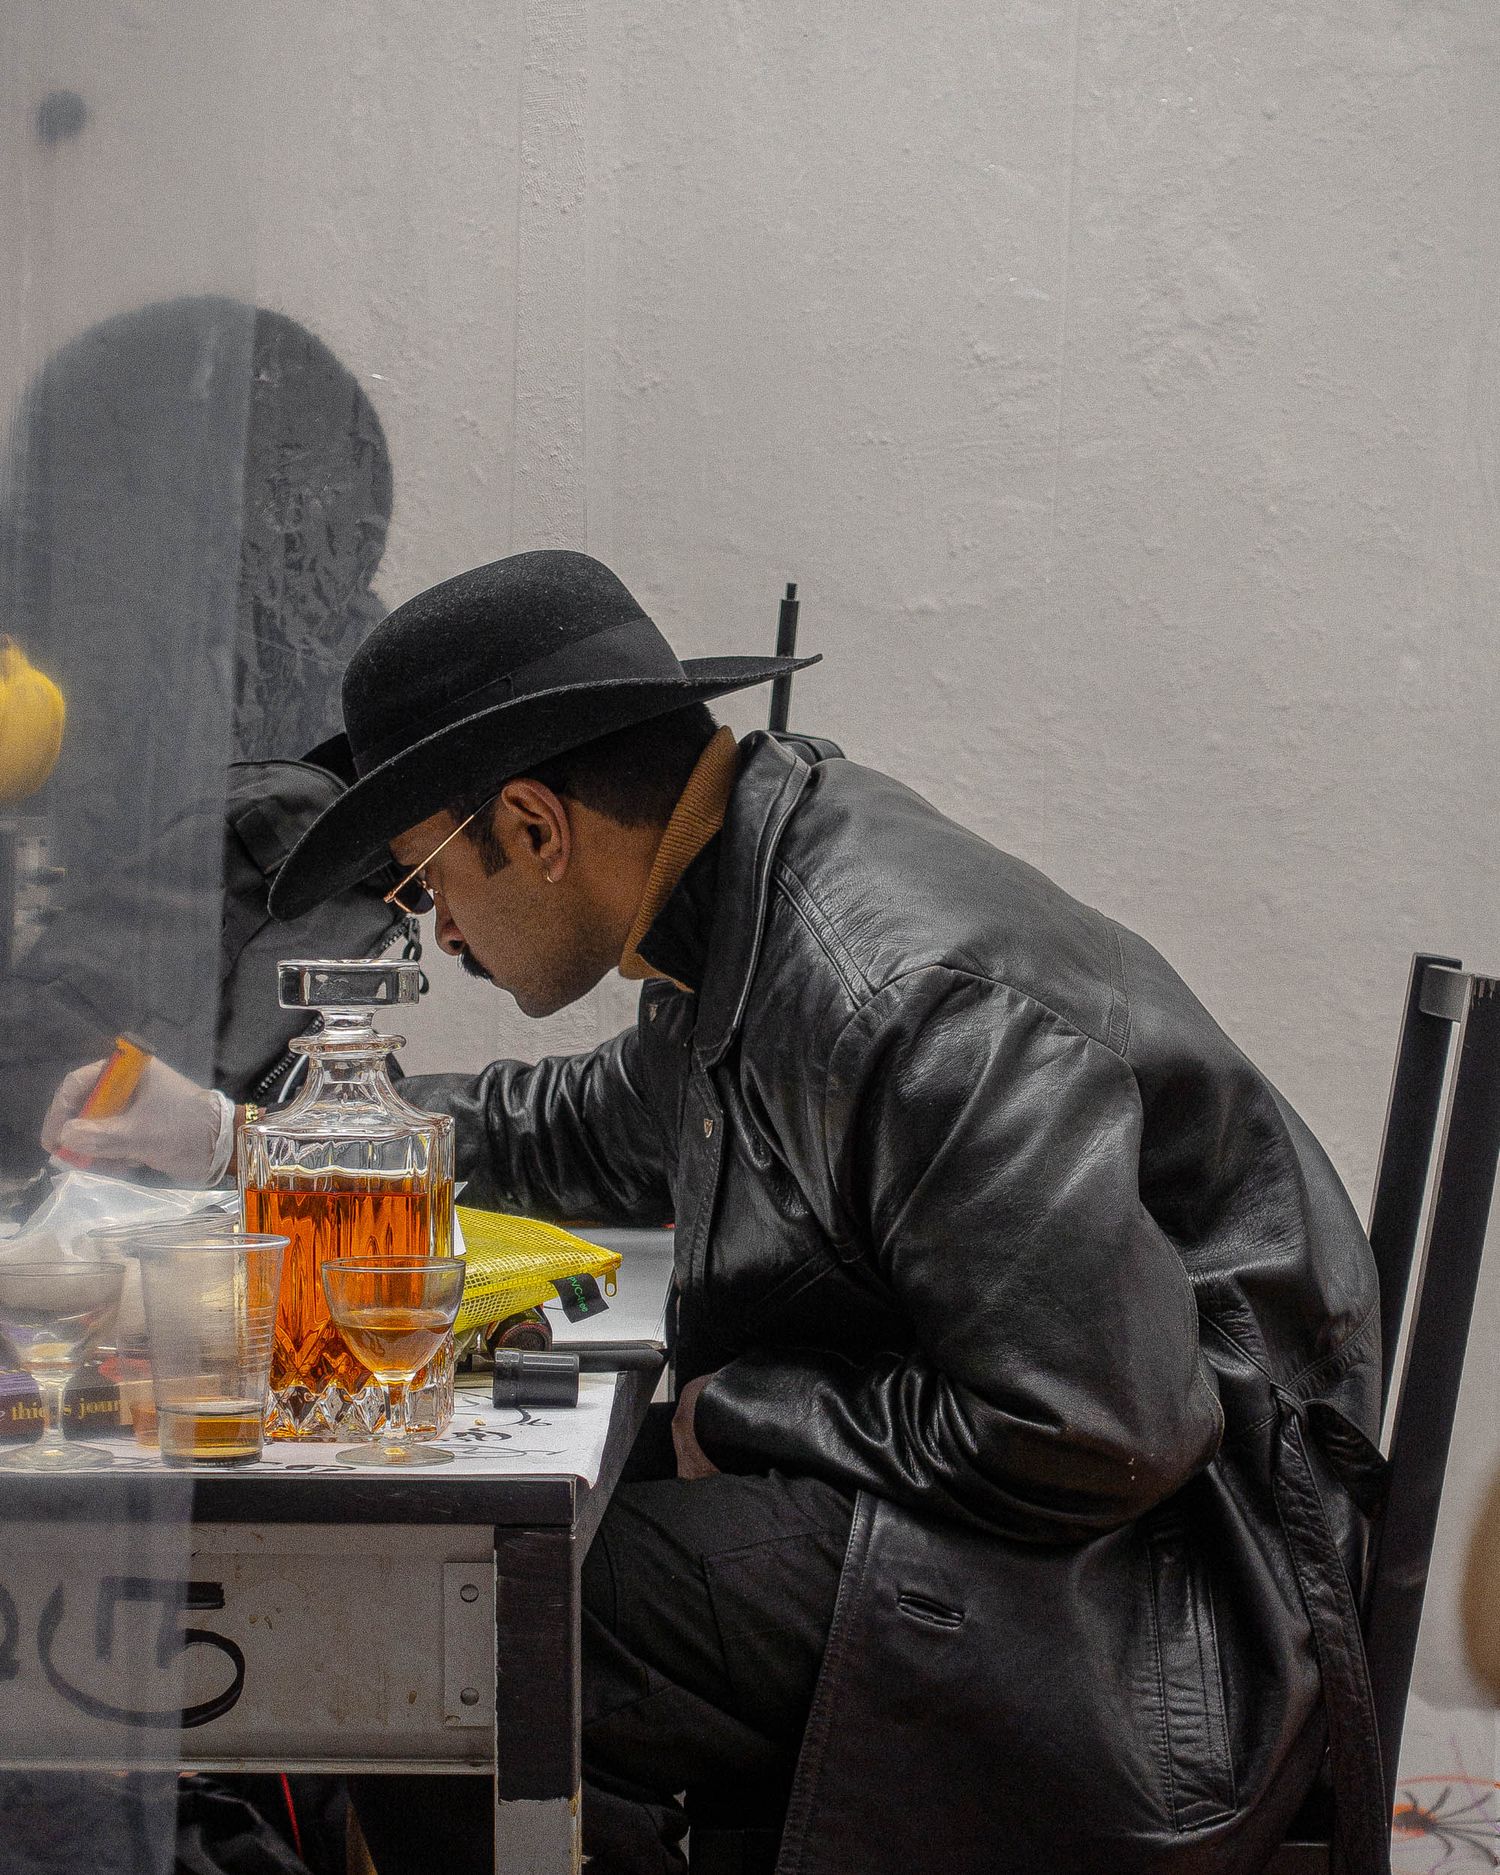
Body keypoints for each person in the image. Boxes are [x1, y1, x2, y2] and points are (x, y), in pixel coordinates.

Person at [44, 550, 1391, 1875]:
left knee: (450, 1636)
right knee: (464, 1566)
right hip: (1072, 1519)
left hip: (1171, 1594)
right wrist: (233, 1139)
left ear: (535, 828)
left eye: (424, 881)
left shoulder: (895, 995)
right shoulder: (746, 906)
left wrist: (737, 1415)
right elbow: (574, 1125)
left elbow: (1100, 1427)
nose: (438, 934)